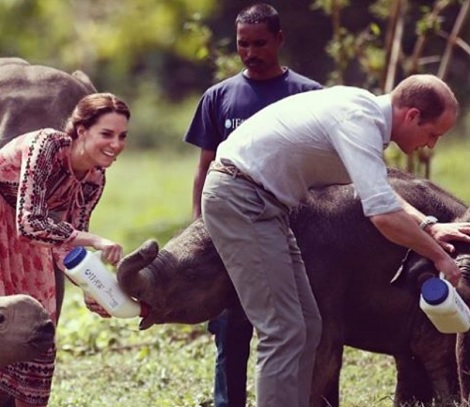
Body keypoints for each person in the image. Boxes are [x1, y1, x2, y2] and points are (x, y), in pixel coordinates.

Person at [201, 74, 470, 407]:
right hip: (241, 196)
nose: (431, 144)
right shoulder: (360, 120)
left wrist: (429, 226)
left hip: (267, 204)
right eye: (433, 134)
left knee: (308, 324)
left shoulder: (364, 116)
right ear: (412, 116)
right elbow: (383, 216)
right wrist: (440, 257)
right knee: (282, 328)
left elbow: (379, 194)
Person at [183, 3, 322, 406]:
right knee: (230, 325)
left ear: (279, 40)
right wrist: (200, 228)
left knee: (292, 323)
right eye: (243, 44)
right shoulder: (219, 97)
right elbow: (205, 167)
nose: (250, 52)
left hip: (293, 227)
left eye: (260, 43)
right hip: (231, 226)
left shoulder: (306, 95)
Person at [0, 92, 130, 407]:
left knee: (38, 329)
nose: (116, 144)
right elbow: (30, 221)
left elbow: (69, 246)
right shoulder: (47, 146)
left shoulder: (94, 179)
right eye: (106, 134)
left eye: (122, 136)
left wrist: (92, 286)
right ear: (81, 130)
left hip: (27, 244)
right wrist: (95, 240)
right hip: (11, 224)